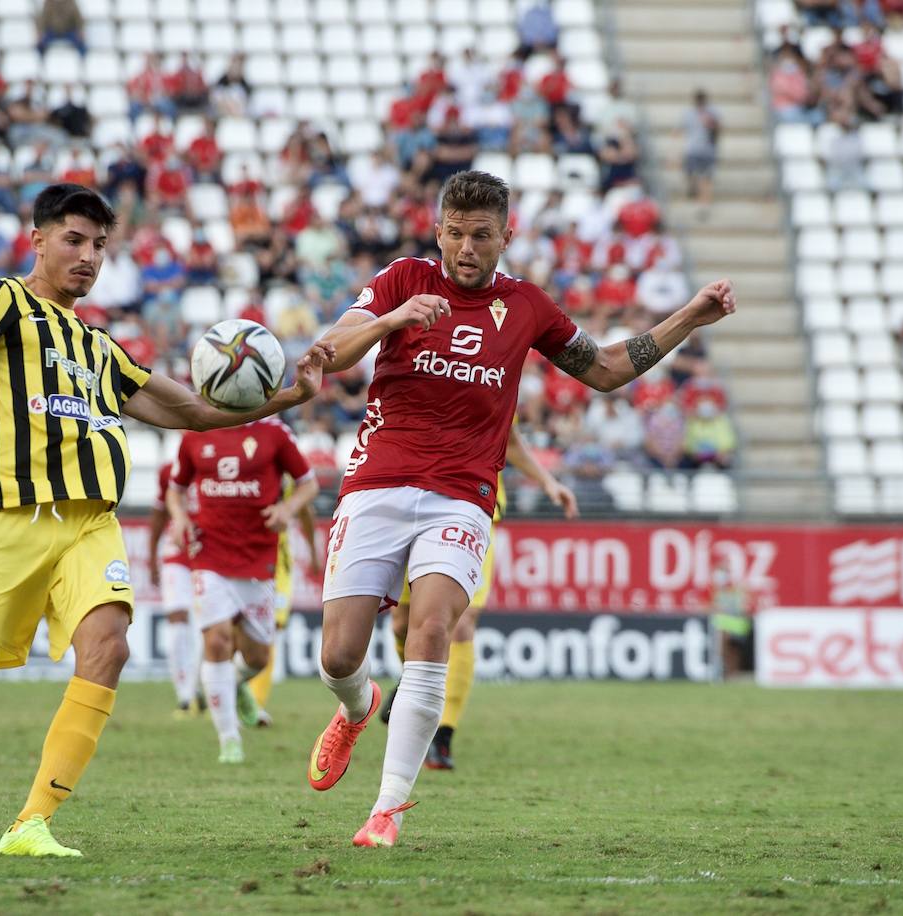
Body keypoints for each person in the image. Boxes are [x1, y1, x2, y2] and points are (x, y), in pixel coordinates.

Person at [0, 183, 332, 859]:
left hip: (89, 525)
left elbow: (192, 412)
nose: (89, 256)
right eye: (74, 240)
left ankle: (31, 822)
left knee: (110, 645)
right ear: (36, 240)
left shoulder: (100, 347)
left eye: (99, 244)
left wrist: (287, 397)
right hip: (0, 520)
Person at [303, 170, 736, 848]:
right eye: (454, 234)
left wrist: (688, 317)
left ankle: (385, 809)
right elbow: (328, 352)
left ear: (507, 235)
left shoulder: (527, 306)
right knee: (338, 655)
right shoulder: (400, 281)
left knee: (434, 627)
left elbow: (608, 369)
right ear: (437, 230)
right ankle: (358, 708)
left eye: (482, 236)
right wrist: (393, 319)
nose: (466, 249)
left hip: (463, 496)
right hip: (376, 485)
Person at [378, 424, 579, 769]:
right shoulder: (424, 373)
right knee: (403, 625)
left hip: (475, 510)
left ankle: (442, 736)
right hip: (416, 505)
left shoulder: (494, 372)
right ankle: (415, 677)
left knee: (459, 625)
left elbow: (509, 440)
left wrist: (547, 481)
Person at [166, 419, 319, 763]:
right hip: (209, 553)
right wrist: (180, 517)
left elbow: (308, 485)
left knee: (257, 657)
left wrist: (287, 509)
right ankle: (229, 739)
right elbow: (175, 489)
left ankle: (233, 684)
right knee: (217, 640)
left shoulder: (275, 433)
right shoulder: (196, 432)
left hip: (259, 559)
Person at [247, 475, 321, 723]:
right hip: (243, 554)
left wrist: (312, 551)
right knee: (237, 630)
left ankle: (254, 704)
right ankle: (227, 693)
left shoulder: (288, 467)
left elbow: (305, 510)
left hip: (278, 563)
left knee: (271, 626)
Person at [147, 462, 201, 717]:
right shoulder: (170, 469)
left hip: (211, 554)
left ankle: (198, 688)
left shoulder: (222, 461)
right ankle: (184, 696)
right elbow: (159, 515)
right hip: (177, 555)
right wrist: (151, 557)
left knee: (205, 626)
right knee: (177, 620)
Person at [680, 90, 720, 215]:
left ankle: (703, 205)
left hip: (707, 150)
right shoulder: (689, 114)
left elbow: (718, 131)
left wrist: (712, 124)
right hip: (692, 149)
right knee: (691, 174)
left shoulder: (712, 114)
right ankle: (694, 190)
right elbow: (681, 130)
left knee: (705, 179)